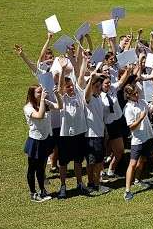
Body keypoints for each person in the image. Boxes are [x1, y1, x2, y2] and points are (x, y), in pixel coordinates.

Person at [57, 56, 89, 199]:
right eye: (67, 86)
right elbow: (58, 89)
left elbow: (81, 75)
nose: (70, 88)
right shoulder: (62, 98)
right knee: (63, 163)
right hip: (65, 135)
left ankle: (79, 183)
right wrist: (63, 70)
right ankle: (63, 186)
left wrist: (85, 60)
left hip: (80, 133)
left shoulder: (79, 95)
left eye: (71, 86)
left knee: (78, 161)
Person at [23, 85, 62, 202]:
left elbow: (60, 106)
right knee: (32, 168)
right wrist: (42, 101)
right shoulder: (28, 107)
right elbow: (39, 116)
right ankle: (33, 193)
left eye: (42, 91)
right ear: (32, 95)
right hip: (35, 141)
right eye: (38, 92)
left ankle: (42, 190)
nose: (41, 94)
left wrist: (56, 95)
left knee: (41, 168)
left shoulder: (44, 102)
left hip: (45, 139)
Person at [124, 84, 153, 201]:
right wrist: (141, 117)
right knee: (132, 164)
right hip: (137, 140)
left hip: (147, 136)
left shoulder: (142, 102)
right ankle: (127, 190)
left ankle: (137, 180)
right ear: (129, 95)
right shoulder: (128, 108)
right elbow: (132, 127)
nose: (137, 95)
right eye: (134, 94)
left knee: (143, 159)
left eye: (137, 92)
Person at [84, 72, 110, 194]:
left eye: (100, 86)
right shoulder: (88, 98)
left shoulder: (99, 97)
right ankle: (93, 184)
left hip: (99, 134)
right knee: (93, 162)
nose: (99, 88)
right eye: (96, 86)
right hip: (91, 136)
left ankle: (94, 183)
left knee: (97, 161)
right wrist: (91, 79)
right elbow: (86, 94)